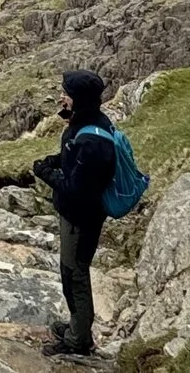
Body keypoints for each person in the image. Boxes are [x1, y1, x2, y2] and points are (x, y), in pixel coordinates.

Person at [30, 69, 117, 357]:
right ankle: (75, 325)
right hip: (76, 217)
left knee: (75, 274)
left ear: (78, 98)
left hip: (81, 220)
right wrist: (56, 160)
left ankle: (78, 340)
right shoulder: (86, 124)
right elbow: (74, 163)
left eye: (65, 93)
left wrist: (45, 172)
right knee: (70, 272)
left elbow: (75, 188)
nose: (61, 97)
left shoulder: (93, 142)